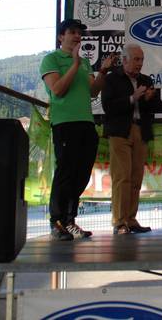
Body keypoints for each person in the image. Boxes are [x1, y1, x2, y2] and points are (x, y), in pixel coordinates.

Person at [40, 18, 115, 241]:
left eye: (79, 33)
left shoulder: (84, 63)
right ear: (60, 37)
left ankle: (69, 220)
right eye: (72, 32)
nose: (77, 36)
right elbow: (58, 90)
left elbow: (93, 92)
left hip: (86, 123)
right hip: (65, 123)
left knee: (82, 174)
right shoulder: (51, 59)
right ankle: (56, 221)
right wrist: (73, 64)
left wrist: (103, 72)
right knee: (65, 172)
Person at [101, 43, 156, 235]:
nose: (140, 63)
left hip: (141, 130)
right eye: (136, 59)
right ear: (124, 60)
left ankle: (131, 219)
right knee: (122, 177)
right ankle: (119, 221)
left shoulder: (146, 80)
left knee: (136, 178)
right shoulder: (111, 79)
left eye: (142, 60)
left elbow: (153, 109)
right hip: (120, 132)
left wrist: (149, 99)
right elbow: (108, 107)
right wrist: (133, 98)